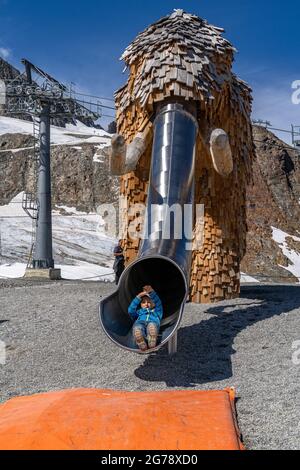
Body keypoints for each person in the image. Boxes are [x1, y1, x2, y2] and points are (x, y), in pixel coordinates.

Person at [128, 285, 163, 351]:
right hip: (141, 323)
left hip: (152, 322)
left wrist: (151, 292)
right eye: (143, 302)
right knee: (138, 327)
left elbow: (158, 303)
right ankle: (141, 341)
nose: (146, 304)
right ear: (140, 304)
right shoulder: (139, 312)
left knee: (152, 326)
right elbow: (130, 310)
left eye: (149, 302)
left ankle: (152, 339)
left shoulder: (157, 312)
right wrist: (138, 296)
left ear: (153, 304)